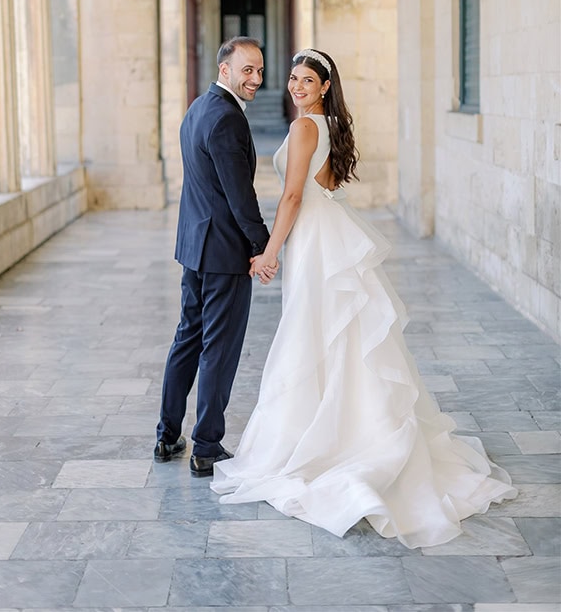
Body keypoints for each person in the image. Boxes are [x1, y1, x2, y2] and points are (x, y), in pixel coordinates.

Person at [211, 48, 517, 547]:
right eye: (291, 79)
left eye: (307, 80)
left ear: (325, 86)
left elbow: (292, 196)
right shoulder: (326, 124)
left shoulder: (305, 128)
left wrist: (268, 252)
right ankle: (348, 420)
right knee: (335, 330)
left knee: (316, 328)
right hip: (324, 231)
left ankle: (330, 435)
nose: (295, 86)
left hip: (313, 237)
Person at [154, 37, 277, 478]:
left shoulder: (197, 108)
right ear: (225, 69)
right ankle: (206, 446)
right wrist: (263, 248)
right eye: (247, 70)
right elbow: (239, 196)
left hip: (194, 246)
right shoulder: (226, 118)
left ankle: (168, 436)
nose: (256, 79)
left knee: (187, 338)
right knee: (218, 350)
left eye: (260, 71)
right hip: (224, 253)